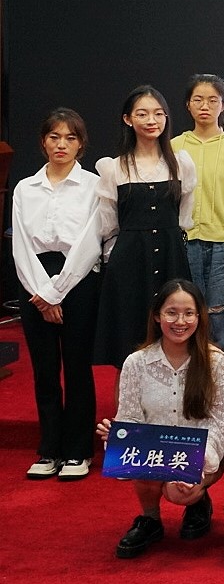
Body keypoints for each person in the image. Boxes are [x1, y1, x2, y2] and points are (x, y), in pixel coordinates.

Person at [98, 278, 224, 559]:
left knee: (179, 492)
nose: (180, 321)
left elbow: (219, 422)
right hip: (154, 457)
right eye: (171, 312)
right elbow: (130, 417)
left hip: (198, 455)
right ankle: (150, 519)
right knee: (144, 466)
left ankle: (198, 501)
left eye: (189, 313)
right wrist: (119, 439)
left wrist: (195, 467)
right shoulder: (136, 363)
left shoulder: (216, 362)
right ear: (157, 316)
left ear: (199, 317)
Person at [16, 108, 103, 481]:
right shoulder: (25, 188)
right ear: (43, 142)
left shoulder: (93, 185)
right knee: (45, 370)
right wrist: (43, 293)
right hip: (34, 282)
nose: (61, 144)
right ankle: (49, 448)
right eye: (54, 137)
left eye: (70, 137)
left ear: (81, 144)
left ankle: (78, 450)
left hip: (78, 279)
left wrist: (57, 291)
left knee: (78, 367)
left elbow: (90, 244)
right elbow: (20, 245)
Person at [94, 85, 198, 368]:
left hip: (171, 257)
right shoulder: (113, 168)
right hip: (128, 261)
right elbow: (108, 225)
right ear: (128, 119)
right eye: (142, 114)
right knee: (127, 344)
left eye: (158, 113)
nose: (152, 120)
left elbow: (185, 217)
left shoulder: (181, 164)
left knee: (175, 336)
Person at [171, 74, 224, 356]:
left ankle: (220, 377)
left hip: (223, 243)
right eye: (198, 99)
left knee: (220, 316)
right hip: (185, 242)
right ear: (187, 105)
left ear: (223, 105)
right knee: (186, 312)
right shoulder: (175, 146)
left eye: (213, 100)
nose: (205, 106)